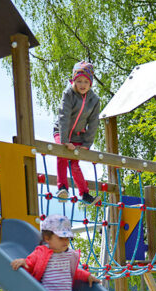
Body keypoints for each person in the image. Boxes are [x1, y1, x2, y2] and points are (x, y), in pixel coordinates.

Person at [54, 61, 100, 205]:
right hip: (61, 131)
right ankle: (62, 187)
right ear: (73, 80)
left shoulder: (94, 100)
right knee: (62, 155)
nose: (82, 84)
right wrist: (64, 140)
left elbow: (93, 123)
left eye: (86, 81)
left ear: (90, 83)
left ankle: (85, 194)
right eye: (79, 80)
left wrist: (86, 144)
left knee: (74, 163)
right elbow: (64, 115)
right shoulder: (68, 94)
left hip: (78, 136)